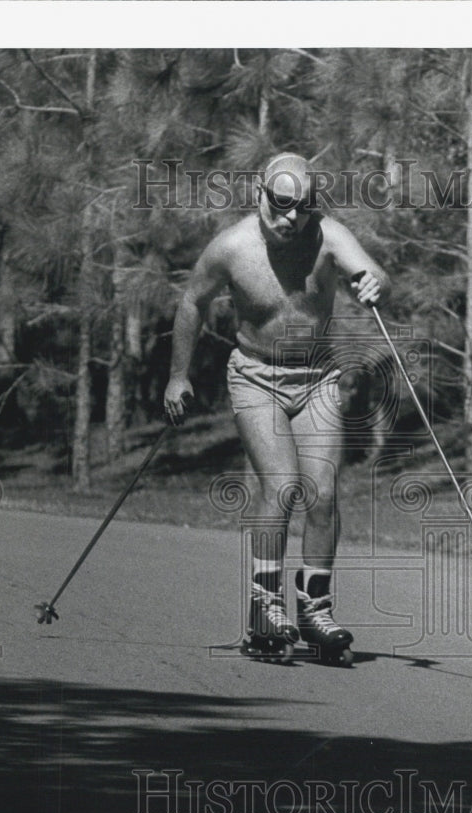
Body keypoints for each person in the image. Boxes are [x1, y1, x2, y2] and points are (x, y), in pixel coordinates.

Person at [164, 152, 390, 665]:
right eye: (281, 204)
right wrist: (178, 375)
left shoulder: (328, 237)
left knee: (324, 493)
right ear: (259, 193)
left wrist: (374, 283)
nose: (292, 217)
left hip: (318, 378)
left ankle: (316, 608)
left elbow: (373, 274)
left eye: (303, 208)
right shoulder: (232, 246)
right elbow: (192, 303)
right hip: (255, 377)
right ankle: (265, 605)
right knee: (283, 486)